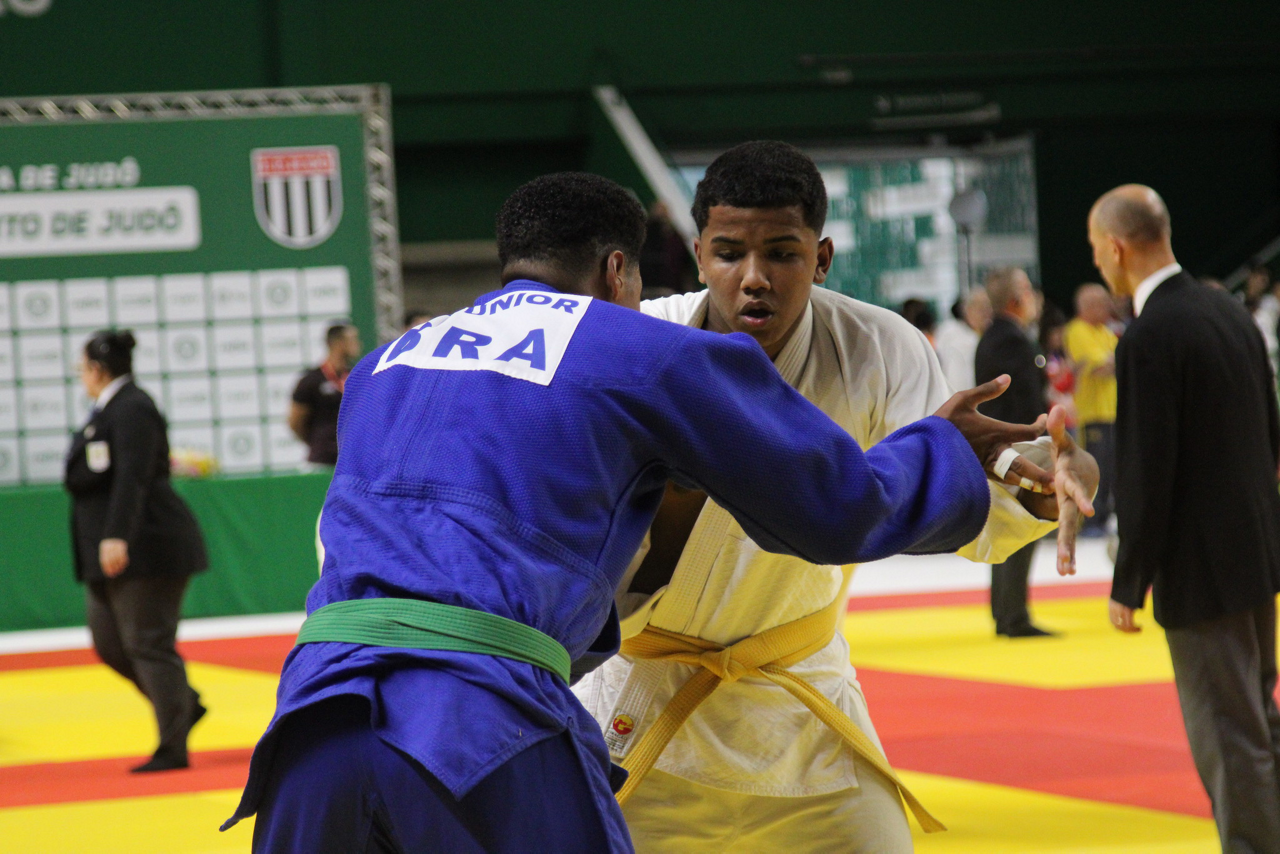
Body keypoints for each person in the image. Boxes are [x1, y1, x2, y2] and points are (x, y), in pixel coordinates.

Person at [225, 172, 1055, 853]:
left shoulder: (388, 362)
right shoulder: (641, 349)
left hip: (315, 715)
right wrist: (942, 447)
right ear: (619, 272)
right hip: (479, 723)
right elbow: (832, 509)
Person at [573, 141, 1096, 852]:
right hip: (641, 714)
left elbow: (954, 487)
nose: (753, 278)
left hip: (801, 712)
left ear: (821, 258)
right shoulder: (639, 343)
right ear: (697, 255)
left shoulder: (878, 347)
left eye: (781, 254)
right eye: (728, 253)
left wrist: (1044, 487)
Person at [1092, 184, 1280, 853]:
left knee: (1229, 734)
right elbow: (1270, 431)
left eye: (1095, 249)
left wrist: (1129, 579)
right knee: (1259, 718)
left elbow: (1148, 469)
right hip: (1255, 551)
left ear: (1117, 248)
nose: (1097, 262)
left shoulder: (1149, 336)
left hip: (1200, 568)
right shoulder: (1229, 311)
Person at [63, 330, 209, 773]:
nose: (80, 375)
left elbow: (133, 476)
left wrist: (116, 536)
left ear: (96, 369)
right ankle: (182, 704)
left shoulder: (133, 408)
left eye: (82, 368)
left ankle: (172, 746)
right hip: (109, 549)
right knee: (110, 644)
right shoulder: (108, 409)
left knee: (148, 644)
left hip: (147, 546)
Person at [975, 266, 1058, 638]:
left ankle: (1006, 611)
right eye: (1026, 289)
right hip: (1017, 449)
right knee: (1019, 528)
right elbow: (1022, 401)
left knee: (1009, 528)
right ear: (1014, 299)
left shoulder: (998, 336)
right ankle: (1013, 615)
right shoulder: (1010, 340)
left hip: (1003, 447)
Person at [1064, 284, 1118, 537]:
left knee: (1111, 469)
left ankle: (1104, 517)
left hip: (1112, 412)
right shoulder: (1077, 330)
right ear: (1086, 306)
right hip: (1091, 414)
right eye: (1101, 303)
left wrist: (1111, 362)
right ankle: (1090, 521)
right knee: (1094, 470)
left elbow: (1114, 363)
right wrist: (1112, 362)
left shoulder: (1106, 332)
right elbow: (1099, 368)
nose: (1107, 307)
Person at [288, 323, 360, 466]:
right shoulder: (311, 380)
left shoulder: (357, 377)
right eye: (353, 339)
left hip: (353, 459)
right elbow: (295, 422)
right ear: (338, 343)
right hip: (322, 460)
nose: (358, 344)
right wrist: (318, 442)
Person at [934, 289, 992, 393]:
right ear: (968, 310)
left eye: (988, 307)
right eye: (980, 307)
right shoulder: (955, 338)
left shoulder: (990, 337)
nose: (986, 313)